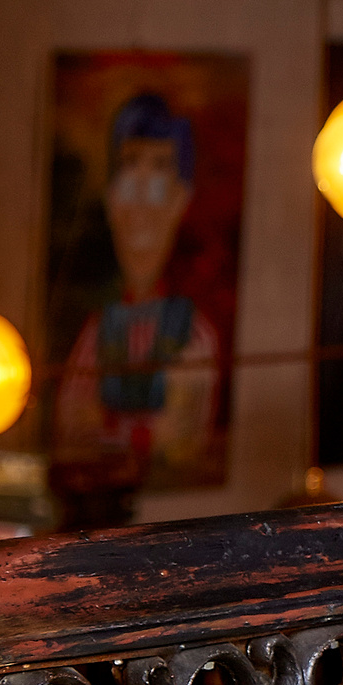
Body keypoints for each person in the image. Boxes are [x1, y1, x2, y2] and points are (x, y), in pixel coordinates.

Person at [54, 92, 224, 489]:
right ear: (111, 196)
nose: (142, 197)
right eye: (130, 167)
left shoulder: (194, 334)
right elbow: (71, 423)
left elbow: (181, 440)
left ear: (181, 199)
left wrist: (110, 426)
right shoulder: (99, 327)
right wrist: (142, 432)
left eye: (160, 169)